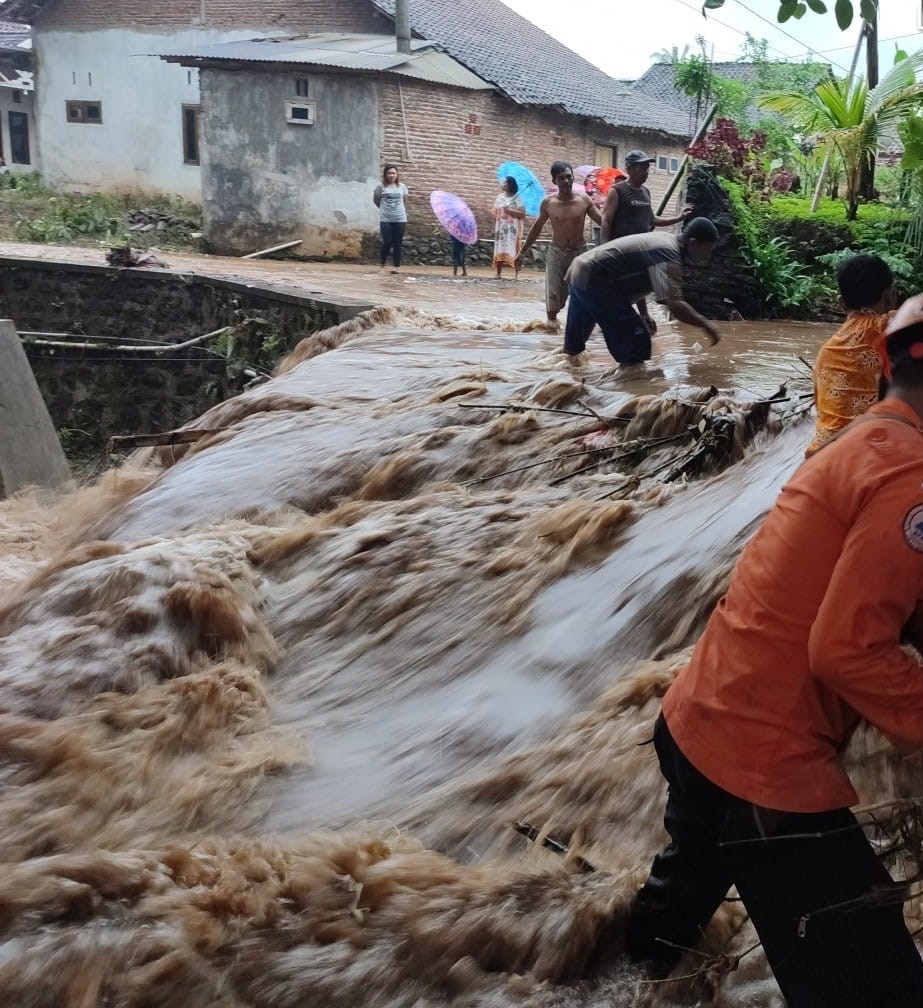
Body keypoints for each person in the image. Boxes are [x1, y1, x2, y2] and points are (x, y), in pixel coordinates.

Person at [625, 294, 923, 1006]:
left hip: (697, 717)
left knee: (675, 905)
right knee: (873, 988)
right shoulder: (911, 478)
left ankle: (600, 980)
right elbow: (845, 652)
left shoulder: (862, 442)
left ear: (886, 364)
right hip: (762, 772)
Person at [562, 217, 721, 366]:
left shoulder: (665, 241)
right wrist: (706, 325)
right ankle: (632, 388)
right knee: (636, 340)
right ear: (693, 243)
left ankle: (561, 377)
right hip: (596, 280)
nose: (707, 256)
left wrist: (644, 313)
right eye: (707, 249)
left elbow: (635, 277)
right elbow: (675, 305)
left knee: (574, 350)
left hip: (579, 272)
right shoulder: (669, 254)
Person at [806, 253, 895, 456]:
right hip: (870, 456)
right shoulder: (894, 326)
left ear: (841, 303)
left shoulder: (827, 351)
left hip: (820, 458)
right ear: (891, 296)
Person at [514, 161, 603, 324]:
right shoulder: (548, 203)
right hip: (557, 253)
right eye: (562, 178)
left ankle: (579, 332)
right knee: (554, 298)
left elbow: (602, 221)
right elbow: (537, 228)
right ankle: (551, 331)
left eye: (569, 177)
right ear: (555, 181)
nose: (566, 181)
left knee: (582, 294)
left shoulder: (584, 200)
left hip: (579, 253)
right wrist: (521, 253)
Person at [600, 150, 692, 243]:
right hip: (621, 249)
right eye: (642, 168)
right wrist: (604, 247)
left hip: (641, 248)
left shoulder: (646, 192)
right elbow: (606, 221)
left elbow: (652, 219)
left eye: (647, 168)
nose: (646, 172)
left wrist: (678, 218)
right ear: (629, 169)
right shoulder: (617, 191)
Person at [373, 164, 408, 273]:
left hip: (400, 218)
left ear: (397, 175)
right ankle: (382, 264)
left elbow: (405, 200)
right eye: (389, 173)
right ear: (385, 175)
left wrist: (400, 210)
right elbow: (376, 200)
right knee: (387, 242)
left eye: (394, 173)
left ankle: (395, 267)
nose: (391, 175)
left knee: (397, 243)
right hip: (386, 219)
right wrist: (384, 209)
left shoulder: (402, 187)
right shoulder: (380, 187)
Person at [492, 176, 526, 280]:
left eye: (504, 183)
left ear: (509, 185)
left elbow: (522, 214)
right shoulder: (500, 197)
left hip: (513, 230)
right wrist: (500, 210)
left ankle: (516, 274)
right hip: (501, 228)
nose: (502, 184)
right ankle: (498, 273)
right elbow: (494, 212)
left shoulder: (517, 199)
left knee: (514, 249)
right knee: (500, 247)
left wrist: (510, 211)